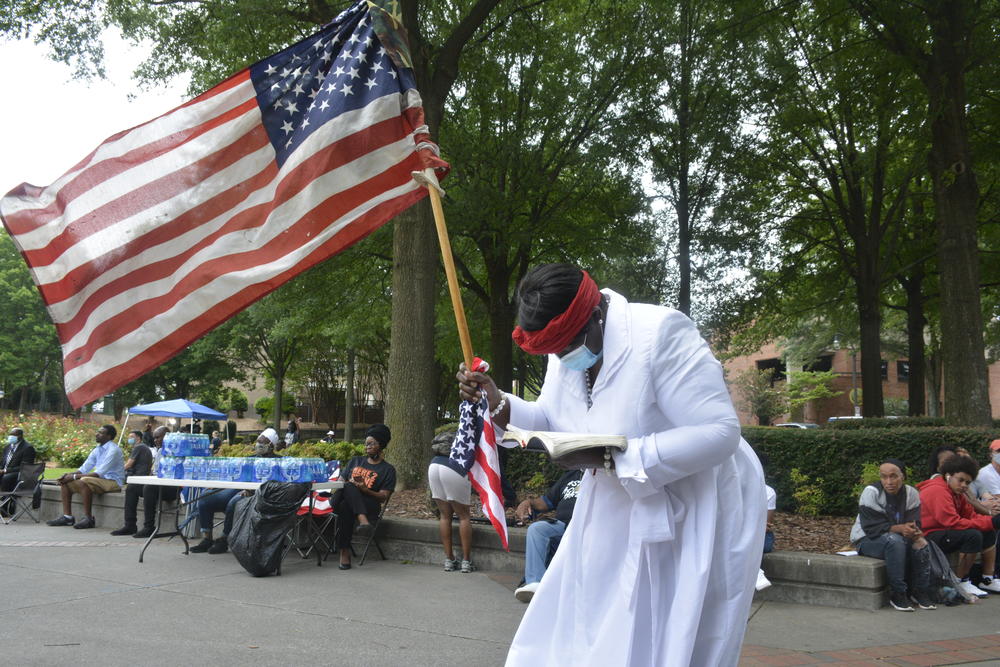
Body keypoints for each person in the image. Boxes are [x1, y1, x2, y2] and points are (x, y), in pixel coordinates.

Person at [457, 263, 766, 665]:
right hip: (612, 497)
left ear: (595, 313)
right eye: (554, 350)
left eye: (567, 345)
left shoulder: (662, 332)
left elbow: (720, 431)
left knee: (673, 631)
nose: (563, 356)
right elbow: (551, 418)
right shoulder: (567, 349)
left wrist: (619, 457)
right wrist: (497, 402)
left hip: (695, 503)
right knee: (588, 616)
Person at [850, 459, 935, 611]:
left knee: (921, 543)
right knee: (895, 541)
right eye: (884, 477)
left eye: (894, 476)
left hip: (898, 537)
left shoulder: (911, 493)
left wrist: (913, 530)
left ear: (903, 477)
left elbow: (914, 522)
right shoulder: (872, 492)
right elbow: (872, 528)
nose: (889, 481)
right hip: (867, 540)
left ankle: (920, 591)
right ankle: (898, 593)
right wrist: (901, 528)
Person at [918, 455, 1000, 598]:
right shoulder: (937, 490)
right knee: (973, 535)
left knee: (988, 531)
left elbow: (971, 516)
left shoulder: (957, 493)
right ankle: (961, 581)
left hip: (944, 532)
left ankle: (988, 579)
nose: (964, 485)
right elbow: (952, 522)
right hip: (928, 536)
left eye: (967, 482)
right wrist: (990, 521)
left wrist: (990, 521)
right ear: (948, 475)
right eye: (960, 480)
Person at [190, 428, 281, 554]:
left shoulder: (279, 462)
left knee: (234, 502)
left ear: (271, 445)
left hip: (257, 495)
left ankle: (224, 540)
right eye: (258, 441)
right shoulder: (250, 459)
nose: (259, 444)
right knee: (205, 498)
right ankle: (207, 539)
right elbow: (235, 476)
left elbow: (277, 485)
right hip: (238, 488)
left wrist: (254, 491)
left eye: (263, 442)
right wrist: (217, 485)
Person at [330, 424, 396, 570]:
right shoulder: (355, 461)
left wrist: (365, 490)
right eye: (366, 444)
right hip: (339, 498)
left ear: (381, 445)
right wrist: (352, 485)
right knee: (348, 486)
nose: (367, 447)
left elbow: (383, 497)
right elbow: (340, 483)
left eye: (371, 443)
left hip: (369, 503)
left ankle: (344, 551)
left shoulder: (388, 470)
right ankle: (362, 520)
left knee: (345, 507)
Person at [512, 469, 583, 602]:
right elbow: (545, 502)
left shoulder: (603, 476)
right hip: (563, 525)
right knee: (537, 529)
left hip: (588, 526)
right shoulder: (571, 475)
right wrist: (528, 502)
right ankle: (534, 583)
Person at [47, 425, 125, 529]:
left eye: (101, 433)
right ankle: (67, 517)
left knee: (83, 480)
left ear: (109, 436)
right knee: (65, 481)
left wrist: (74, 476)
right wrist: (68, 475)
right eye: (98, 431)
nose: (97, 434)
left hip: (113, 482)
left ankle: (89, 519)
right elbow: (84, 469)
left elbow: (98, 473)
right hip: (100, 480)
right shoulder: (97, 449)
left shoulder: (113, 450)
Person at [111, 426, 179, 537]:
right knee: (132, 487)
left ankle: (149, 527)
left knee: (149, 487)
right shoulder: (161, 451)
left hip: (172, 488)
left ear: (167, 437)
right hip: (158, 484)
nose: (155, 440)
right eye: (154, 438)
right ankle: (130, 525)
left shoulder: (178, 451)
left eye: (158, 438)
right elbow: (155, 471)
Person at [427, 429, 475, 573]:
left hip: (434, 465)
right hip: (454, 466)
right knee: (464, 516)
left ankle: (449, 560)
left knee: (445, 516)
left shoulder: (452, 431)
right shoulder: (471, 431)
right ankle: (466, 561)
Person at [1, 427, 37, 516]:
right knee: (5, 476)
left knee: (7, 477)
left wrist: (5, 471)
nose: (11, 437)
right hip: (4, 474)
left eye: (13, 435)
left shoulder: (28, 448)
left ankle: (4, 507)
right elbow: (2, 462)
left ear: (20, 436)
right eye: (10, 434)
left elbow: (24, 467)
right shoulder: (7, 447)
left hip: (19, 476)